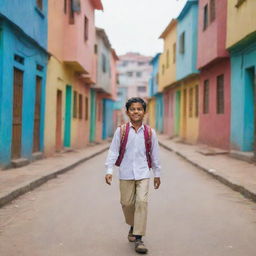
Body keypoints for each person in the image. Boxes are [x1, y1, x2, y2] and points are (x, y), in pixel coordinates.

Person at [105, 97, 161, 254]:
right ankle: (132, 225)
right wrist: (109, 170)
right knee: (127, 204)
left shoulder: (150, 133)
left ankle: (138, 238)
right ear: (127, 112)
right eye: (132, 109)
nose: (136, 111)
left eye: (139, 109)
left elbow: (155, 155)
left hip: (143, 173)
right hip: (125, 172)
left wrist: (157, 174)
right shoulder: (121, 131)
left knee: (142, 202)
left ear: (144, 112)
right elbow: (113, 151)